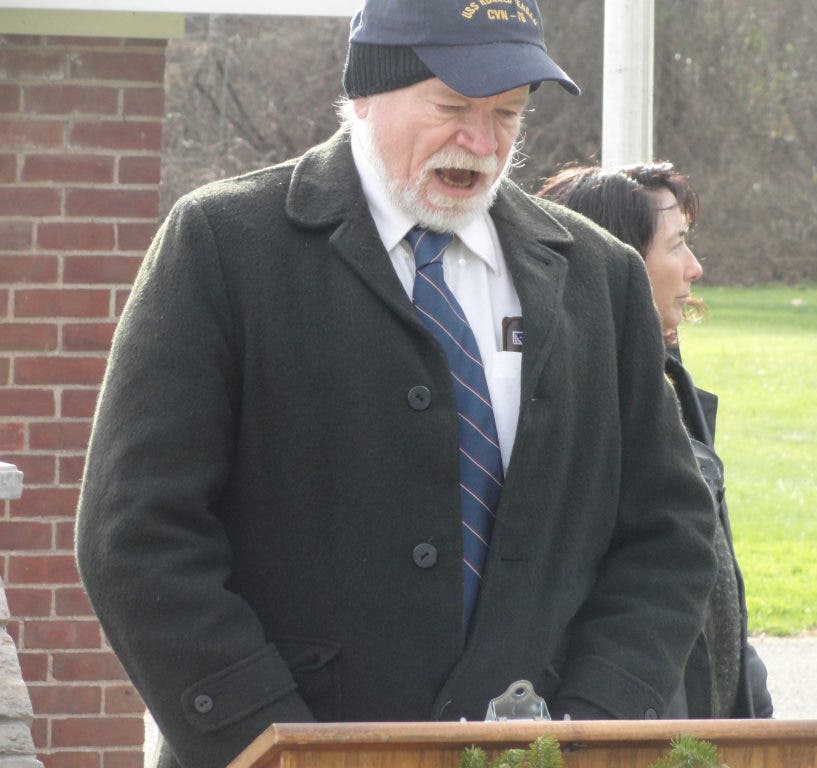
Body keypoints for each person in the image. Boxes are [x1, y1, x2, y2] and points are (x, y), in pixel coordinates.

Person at [74, 3, 719, 767]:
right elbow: (137, 536)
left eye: (507, 114)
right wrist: (278, 747)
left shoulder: (601, 276)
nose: (482, 144)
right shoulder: (222, 247)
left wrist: (584, 731)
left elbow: (669, 534)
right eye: (451, 107)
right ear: (366, 91)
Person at [536, 163, 774, 719]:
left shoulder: (665, 378)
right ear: (615, 259)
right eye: (677, 246)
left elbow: (713, 602)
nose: (694, 267)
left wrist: (751, 706)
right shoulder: (575, 405)